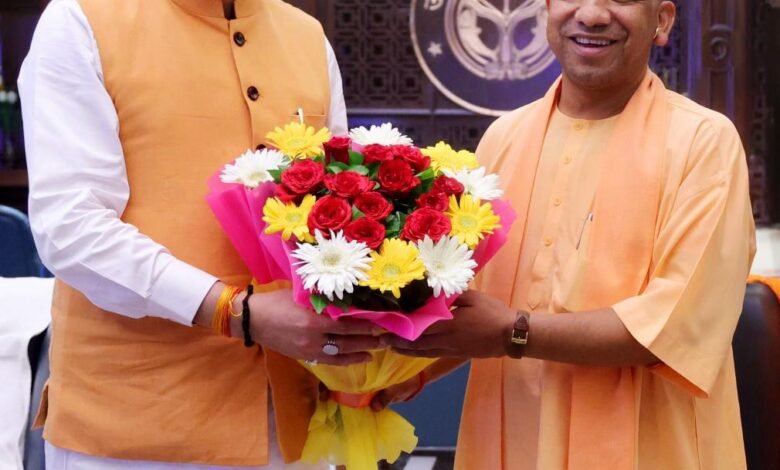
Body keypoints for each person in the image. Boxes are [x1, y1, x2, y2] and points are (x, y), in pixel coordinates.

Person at [377, 1, 757, 469]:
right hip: (514, 440)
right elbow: (470, 303)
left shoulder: (703, 143)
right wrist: (398, 373)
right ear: (547, 11)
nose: (592, 14)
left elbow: (672, 326)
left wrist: (513, 333)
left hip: (649, 449)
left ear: (661, 21)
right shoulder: (503, 138)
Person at [19, 0, 382, 467]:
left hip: (294, 424)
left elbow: (338, 212)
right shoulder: (83, 18)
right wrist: (234, 311)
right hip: (135, 427)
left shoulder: (306, 35)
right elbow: (70, 226)